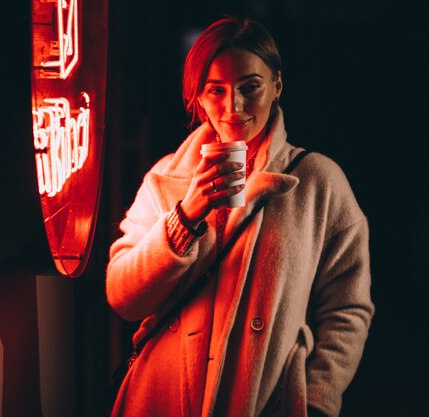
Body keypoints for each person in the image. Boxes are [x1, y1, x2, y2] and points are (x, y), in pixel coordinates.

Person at [106, 16, 374, 417]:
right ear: (198, 98)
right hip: (161, 397)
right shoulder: (168, 178)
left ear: (277, 86)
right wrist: (187, 214)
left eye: (250, 88)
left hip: (265, 400)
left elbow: (348, 309)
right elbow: (123, 298)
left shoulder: (317, 181)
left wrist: (317, 399)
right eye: (216, 90)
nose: (233, 108)